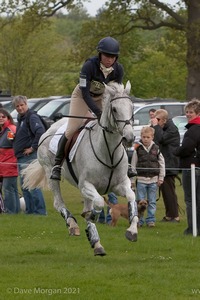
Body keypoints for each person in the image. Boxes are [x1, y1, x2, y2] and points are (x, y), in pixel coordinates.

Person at [50, 36, 124, 180]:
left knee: (115, 128)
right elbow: (85, 93)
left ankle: (124, 163)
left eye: (113, 57)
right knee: (72, 129)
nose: (109, 59)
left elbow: (116, 94)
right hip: (82, 96)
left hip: (102, 97)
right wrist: (98, 112)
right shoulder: (89, 66)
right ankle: (57, 165)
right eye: (106, 56)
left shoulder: (118, 69)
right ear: (100, 54)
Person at [12, 95, 47, 215]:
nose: (20, 108)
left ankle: (40, 212)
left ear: (26, 104)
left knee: (32, 185)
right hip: (21, 157)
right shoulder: (21, 119)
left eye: (22, 105)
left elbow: (40, 131)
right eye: (17, 106)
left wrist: (32, 148)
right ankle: (30, 211)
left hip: (29, 157)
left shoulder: (31, 117)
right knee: (25, 186)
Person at [175, 99, 200, 235]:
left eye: (191, 112)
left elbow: (186, 148)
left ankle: (192, 228)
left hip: (191, 168)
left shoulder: (193, 130)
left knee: (190, 199)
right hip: (196, 167)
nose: (188, 115)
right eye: (187, 112)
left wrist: (176, 152)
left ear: (197, 113)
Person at [131, 126, 165, 227]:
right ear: (141, 137)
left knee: (152, 202)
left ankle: (150, 220)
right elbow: (133, 165)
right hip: (141, 180)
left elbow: (162, 163)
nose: (145, 139)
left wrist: (161, 178)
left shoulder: (157, 149)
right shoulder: (137, 149)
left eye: (148, 137)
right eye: (144, 137)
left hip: (153, 180)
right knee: (139, 202)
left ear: (152, 137)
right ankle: (139, 221)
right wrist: (132, 180)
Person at [151, 109, 180, 222]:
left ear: (164, 120)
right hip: (164, 163)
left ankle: (174, 215)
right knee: (165, 191)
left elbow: (161, 139)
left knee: (169, 191)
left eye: (158, 120)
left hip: (170, 163)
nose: (156, 122)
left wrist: (156, 127)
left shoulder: (172, 129)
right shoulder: (162, 128)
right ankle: (170, 214)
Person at [0, 108, 20, 213]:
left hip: (10, 163)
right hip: (5, 165)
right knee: (12, 189)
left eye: (3, 116)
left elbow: (12, 144)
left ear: (8, 117)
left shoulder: (10, 130)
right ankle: (15, 211)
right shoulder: (3, 130)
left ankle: (10, 211)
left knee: (8, 189)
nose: (1, 119)